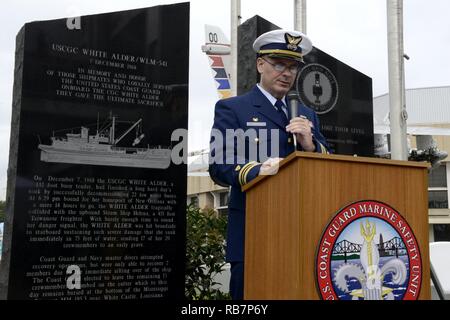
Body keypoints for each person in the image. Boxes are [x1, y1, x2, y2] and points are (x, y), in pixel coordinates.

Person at [208, 29, 330, 300]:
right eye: (279, 64)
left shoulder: (307, 113)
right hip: (254, 231)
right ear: (260, 64)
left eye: (293, 66)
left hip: (303, 231)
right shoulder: (233, 109)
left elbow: (328, 163)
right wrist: (257, 171)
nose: (287, 73)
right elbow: (218, 165)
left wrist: (310, 145)